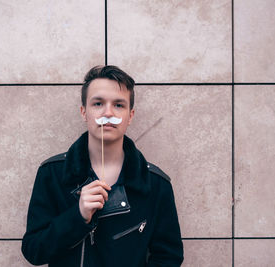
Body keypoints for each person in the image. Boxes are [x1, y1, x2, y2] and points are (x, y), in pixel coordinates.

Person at [21, 65, 183, 266]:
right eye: (98, 103)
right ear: (84, 112)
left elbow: (169, 256)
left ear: (130, 116)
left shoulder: (156, 185)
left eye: (118, 105)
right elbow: (34, 251)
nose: (108, 112)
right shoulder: (52, 173)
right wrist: (78, 217)